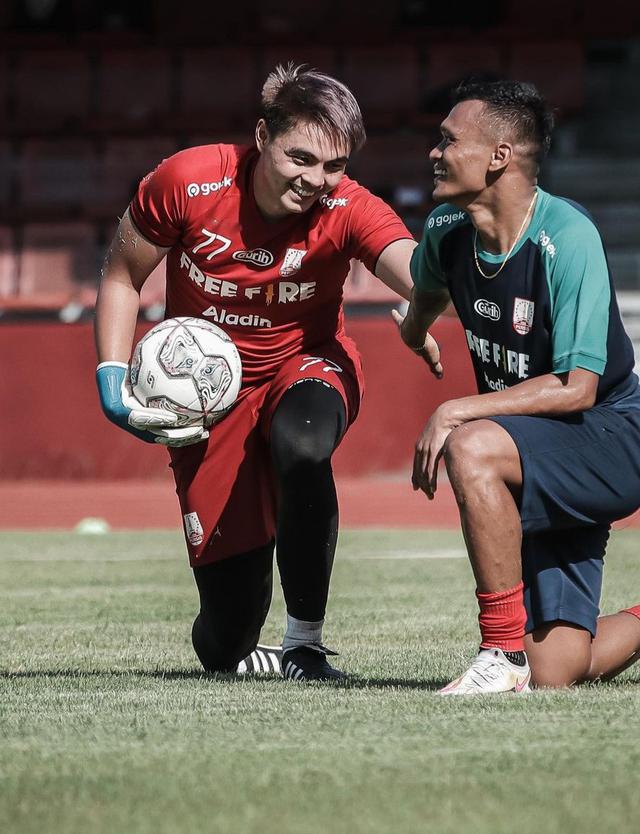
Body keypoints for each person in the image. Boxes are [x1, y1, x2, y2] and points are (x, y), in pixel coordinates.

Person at [95, 64, 436, 681]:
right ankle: (245, 633)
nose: (316, 180)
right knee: (223, 640)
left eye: (334, 165)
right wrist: (111, 379)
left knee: (303, 447)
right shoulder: (187, 181)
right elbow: (122, 275)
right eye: (300, 158)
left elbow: (417, 271)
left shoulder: (349, 206)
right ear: (262, 136)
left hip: (304, 366)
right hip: (207, 405)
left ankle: (304, 644)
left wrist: (433, 305)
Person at [396, 79, 640, 693]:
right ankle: (527, 660)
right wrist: (414, 332)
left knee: (472, 445)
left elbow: (579, 387)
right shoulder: (446, 229)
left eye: (449, 141)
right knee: (558, 671)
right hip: (538, 443)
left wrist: (454, 409)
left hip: (609, 434)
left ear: (499, 156)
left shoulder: (568, 237)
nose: (434, 152)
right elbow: (424, 296)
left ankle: (499, 655)